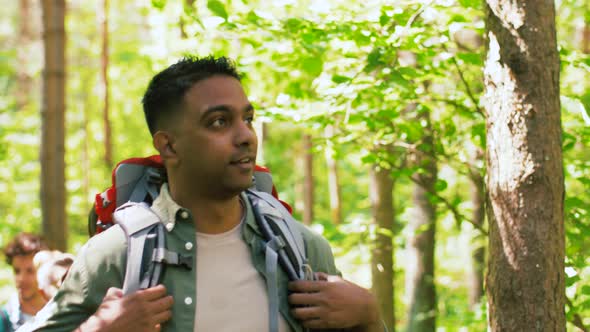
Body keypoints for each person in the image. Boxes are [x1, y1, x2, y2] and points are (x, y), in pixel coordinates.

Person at [19, 56, 383, 332]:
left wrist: (369, 316)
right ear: (170, 147)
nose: (246, 136)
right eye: (219, 122)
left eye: (247, 118)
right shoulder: (116, 255)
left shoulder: (300, 250)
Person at [1, 233, 48, 332]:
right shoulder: (4, 318)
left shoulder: (61, 312)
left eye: (30, 271)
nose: (21, 278)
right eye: (17, 271)